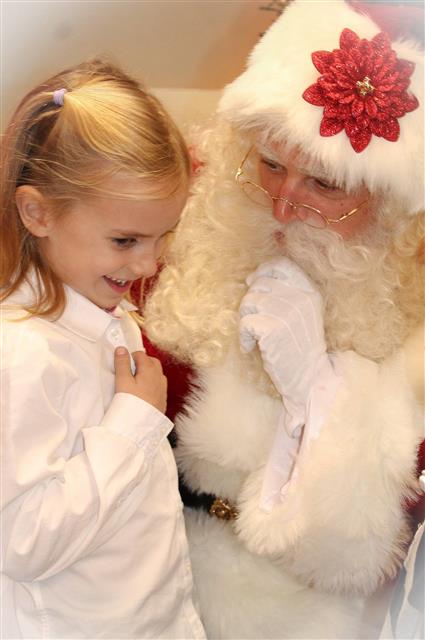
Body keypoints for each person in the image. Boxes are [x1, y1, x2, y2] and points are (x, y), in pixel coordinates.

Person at [143, 1, 424, 638]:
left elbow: (363, 551)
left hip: (302, 613)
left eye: (324, 183)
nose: (284, 199)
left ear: (387, 207)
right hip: (145, 580)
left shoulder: (414, 316)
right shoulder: (174, 217)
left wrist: (317, 392)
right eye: (271, 163)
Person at [0, 59, 205, 639]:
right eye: (125, 240)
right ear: (37, 212)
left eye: (163, 235)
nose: (148, 264)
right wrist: (134, 421)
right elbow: (22, 542)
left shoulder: (106, 310)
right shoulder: (23, 352)